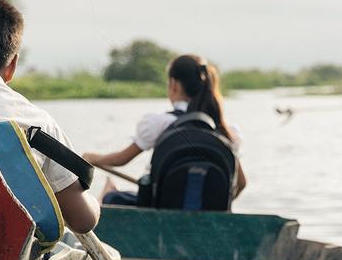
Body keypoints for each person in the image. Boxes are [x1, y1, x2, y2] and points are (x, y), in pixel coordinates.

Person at [0, 0, 99, 233]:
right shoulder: (36, 122)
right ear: (11, 67)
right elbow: (83, 221)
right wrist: (95, 203)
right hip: (2, 256)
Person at [83, 54, 246, 205]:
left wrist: (92, 158)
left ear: (173, 84)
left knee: (110, 196)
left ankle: (109, 192)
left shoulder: (159, 123)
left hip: (161, 211)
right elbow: (241, 184)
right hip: (210, 217)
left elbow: (120, 160)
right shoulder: (226, 132)